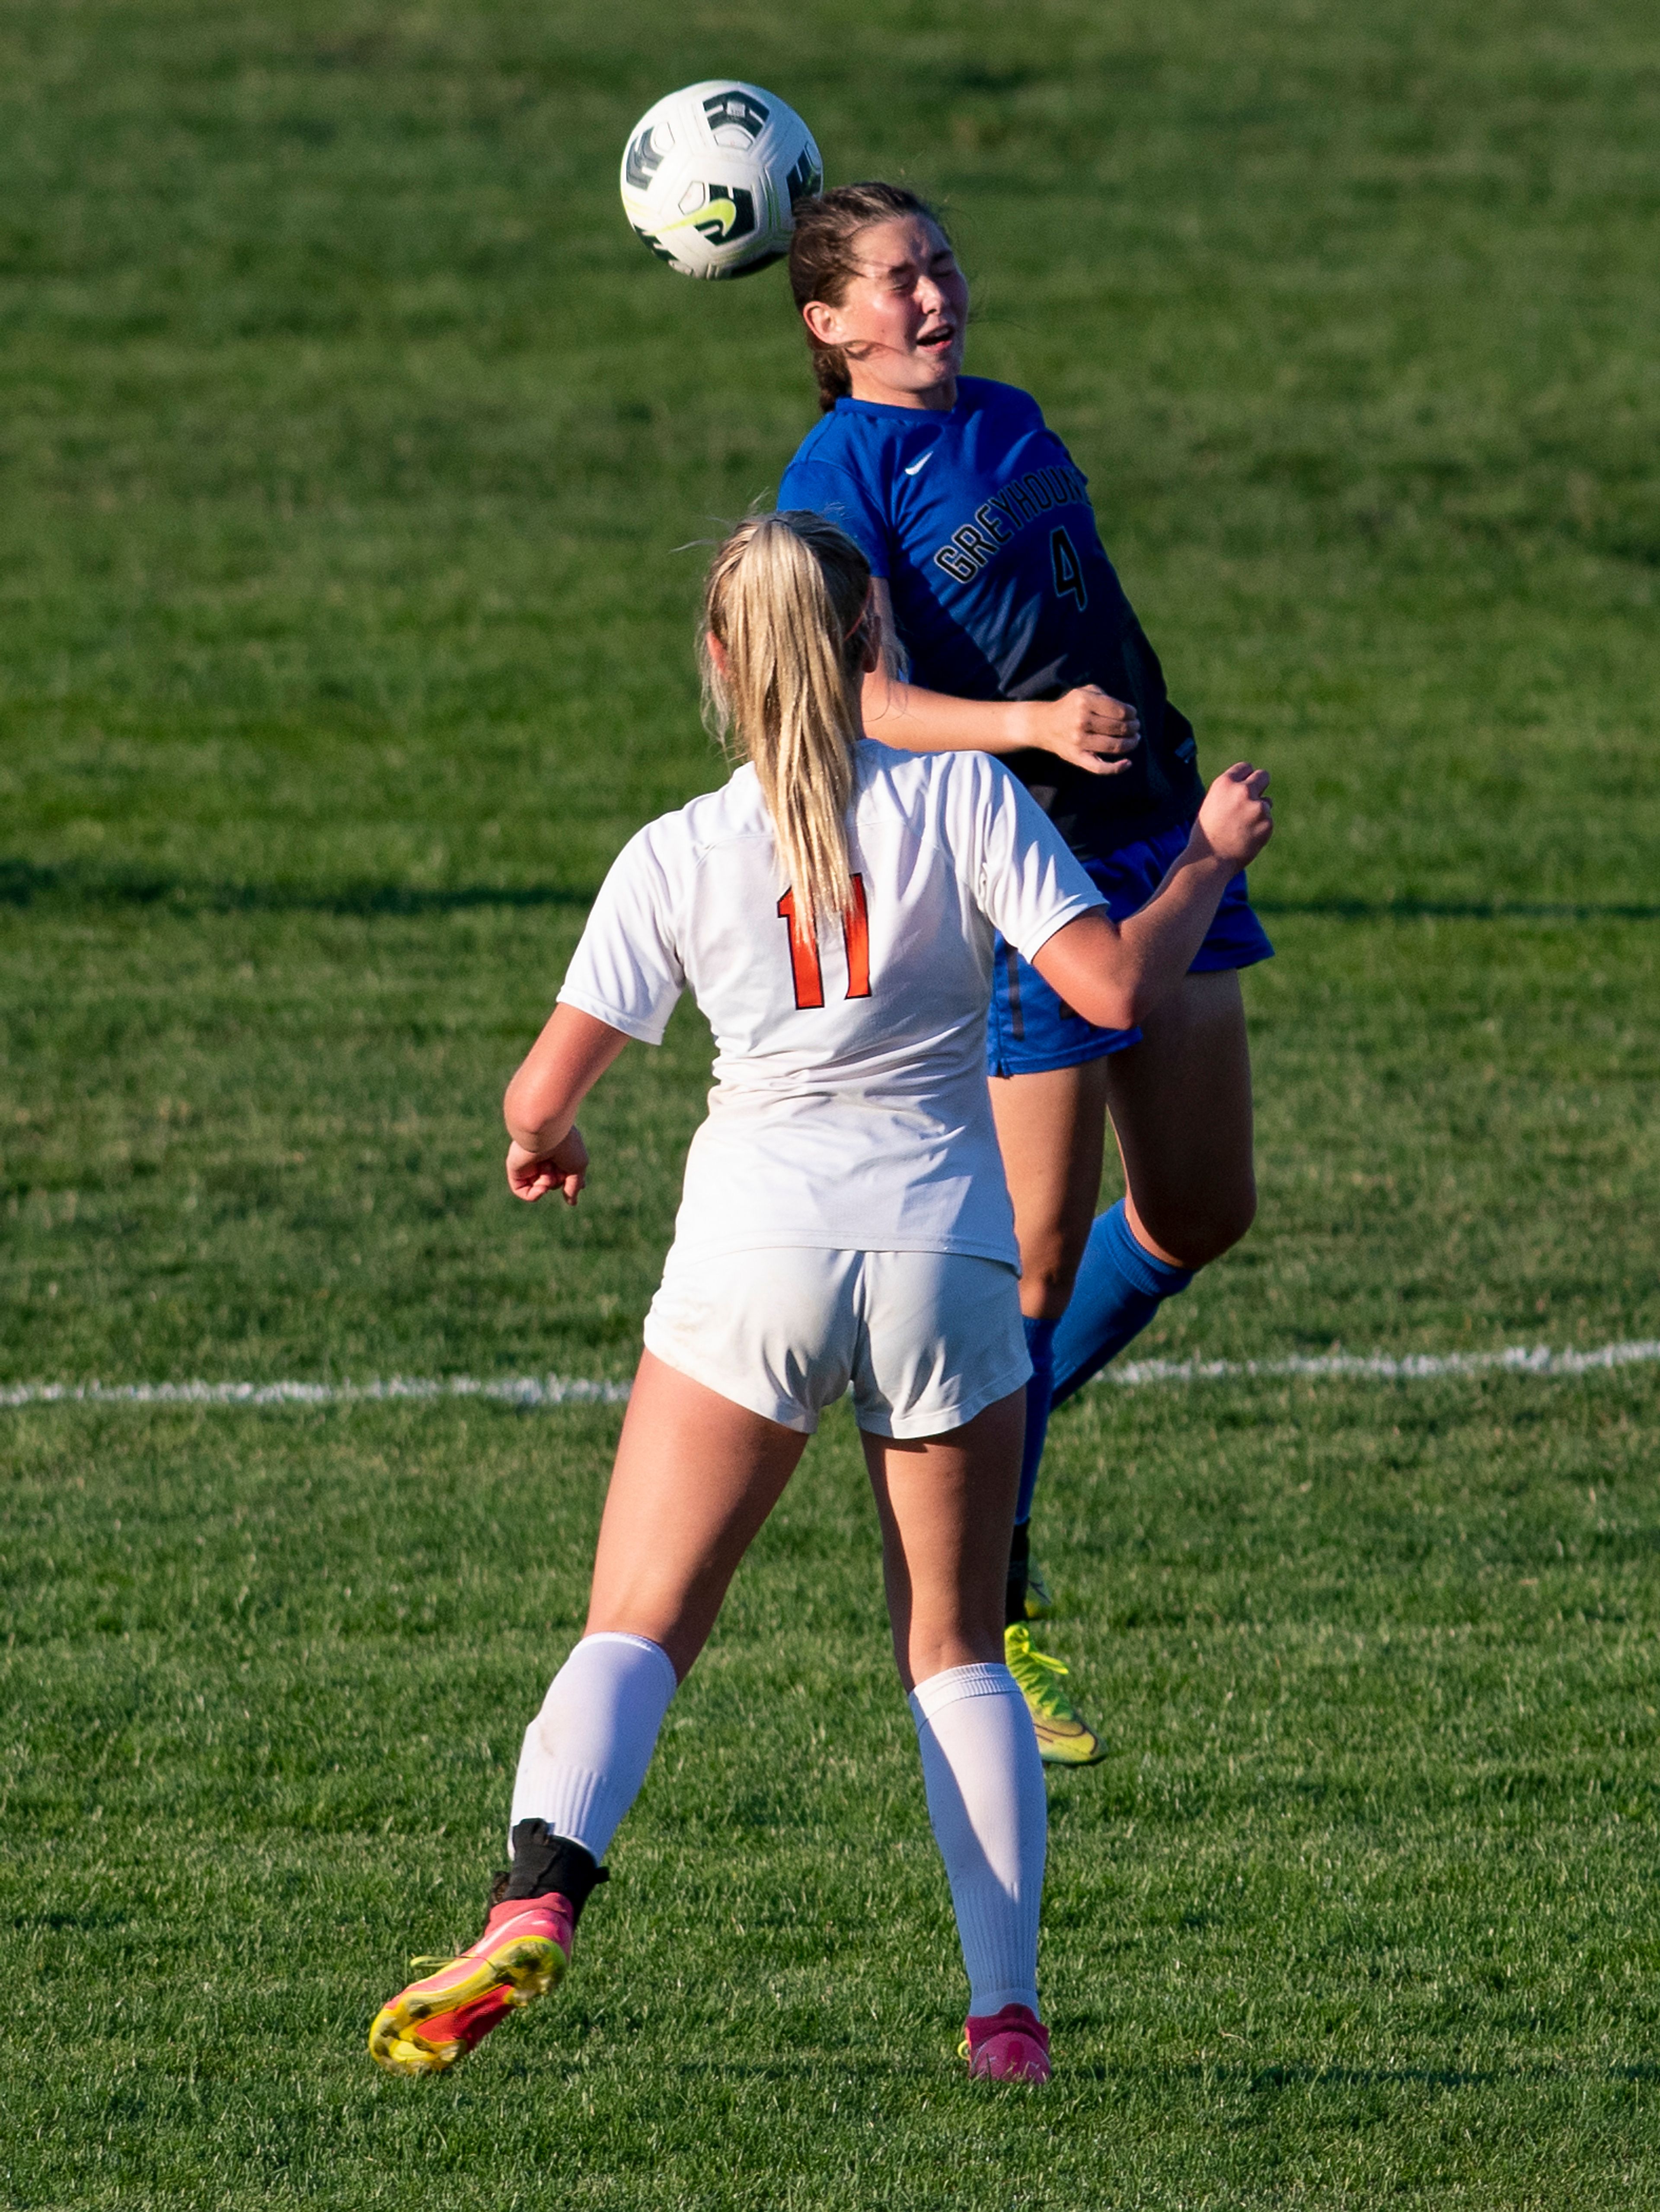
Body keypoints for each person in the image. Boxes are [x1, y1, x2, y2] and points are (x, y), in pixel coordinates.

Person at [366, 512, 1272, 2084]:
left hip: (750, 1262)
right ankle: (1005, 2018)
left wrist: (549, 1141)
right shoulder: (963, 795)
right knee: (958, 1651)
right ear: (881, 656)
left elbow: (534, 1094)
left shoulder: (677, 852)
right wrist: (1203, 859)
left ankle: (536, 1898)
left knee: (639, 1628)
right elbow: (1116, 992)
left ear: (718, 666)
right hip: (944, 1258)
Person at [778, 183, 1276, 1766]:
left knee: (1202, 1209)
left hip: (1150, 824)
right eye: (896, 282)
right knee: (1034, 1270)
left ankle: (997, 1493)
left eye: (941, 268)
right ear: (827, 322)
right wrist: (1030, 729)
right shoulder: (836, 474)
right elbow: (850, 696)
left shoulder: (1010, 413)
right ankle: (987, 1595)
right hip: (1022, 869)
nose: (933, 298)